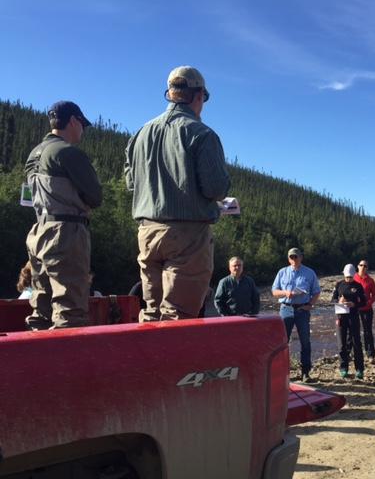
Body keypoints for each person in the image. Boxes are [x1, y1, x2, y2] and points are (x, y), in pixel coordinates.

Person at [124, 65, 230, 322]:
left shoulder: (140, 134)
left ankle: (147, 362)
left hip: (147, 232)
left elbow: (130, 183)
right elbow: (216, 188)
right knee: (178, 318)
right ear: (198, 96)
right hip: (188, 236)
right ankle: (173, 363)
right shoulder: (202, 134)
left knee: (151, 313)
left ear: (170, 93)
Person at [24, 101, 102, 330]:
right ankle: (68, 364)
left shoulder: (33, 154)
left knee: (42, 305)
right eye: (82, 124)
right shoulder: (67, 152)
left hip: (38, 231)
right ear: (73, 121)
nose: (83, 130)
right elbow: (95, 196)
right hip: (66, 232)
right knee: (71, 308)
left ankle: (38, 359)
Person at [272, 247, 321, 382]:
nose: (294, 259)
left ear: (301, 257)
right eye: (291, 257)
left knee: (305, 341)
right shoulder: (282, 272)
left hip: (302, 310)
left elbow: (316, 291)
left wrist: (310, 305)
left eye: (296, 257)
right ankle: (282, 373)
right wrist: (285, 293)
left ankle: (305, 373)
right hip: (286, 309)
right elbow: (274, 291)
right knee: (282, 342)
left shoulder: (309, 273)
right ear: (288, 259)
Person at [333, 264, 367, 379]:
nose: (348, 279)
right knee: (341, 344)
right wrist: (339, 300)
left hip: (353, 316)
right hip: (341, 317)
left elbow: (364, 301)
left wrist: (354, 304)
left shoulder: (358, 286)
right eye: (347, 277)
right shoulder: (339, 285)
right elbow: (333, 299)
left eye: (350, 277)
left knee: (356, 343)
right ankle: (343, 368)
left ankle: (359, 369)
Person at [353, 259, 375, 362]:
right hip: (355, 309)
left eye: (365, 266)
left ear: (367, 268)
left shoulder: (370, 280)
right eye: (361, 265)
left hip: (367, 309)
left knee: (367, 332)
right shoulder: (353, 278)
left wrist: (369, 302)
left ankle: (370, 354)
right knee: (354, 332)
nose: (363, 267)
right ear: (357, 266)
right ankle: (355, 354)